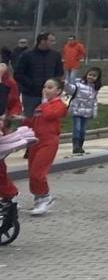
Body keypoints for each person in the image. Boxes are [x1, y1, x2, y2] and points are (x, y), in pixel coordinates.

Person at [26, 78, 67, 215]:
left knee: (38, 172)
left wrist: (44, 103)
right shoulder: (41, 105)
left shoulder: (59, 105)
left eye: (50, 87)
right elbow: (34, 121)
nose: (46, 90)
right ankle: (38, 199)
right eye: (45, 87)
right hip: (35, 141)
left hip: (49, 142)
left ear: (59, 91)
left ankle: (46, 197)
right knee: (32, 173)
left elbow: (49, 115)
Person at [14, 33, 63, 119]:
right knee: (30, 119)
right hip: (31, 95)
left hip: (50, 95)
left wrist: (54, 86)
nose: (53, 43)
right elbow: (18, 74)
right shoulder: (27, 55)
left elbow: (59, 72)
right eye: (51, 41)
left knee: (47, 118)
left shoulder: (55, 55)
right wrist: (31, 84)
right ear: (43, 41)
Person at [66, 67, 101, 155]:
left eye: (94, 76)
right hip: (77, 110)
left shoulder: (95, 89)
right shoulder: (78, 84)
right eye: (90, 75)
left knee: (83, 130)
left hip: (87, 112)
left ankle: (80, 146)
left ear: (97, 78)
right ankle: (76, 146)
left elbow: (94, 101)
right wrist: (65, 84)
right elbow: (70, 89)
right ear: (86, 75)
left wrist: (94, 112)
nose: (91, 77)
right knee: (77, 129)